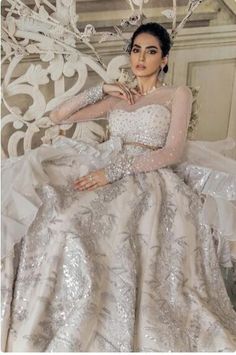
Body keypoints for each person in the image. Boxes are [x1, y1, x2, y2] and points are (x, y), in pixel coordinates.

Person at [1, 22, 236, 352]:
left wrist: (114, 172)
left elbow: (172, 152)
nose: (141, 57)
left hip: (148, 175)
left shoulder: (176, 94)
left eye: (151, 51)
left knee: (98, 224)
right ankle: (55, 313)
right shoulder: (120, 97)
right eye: (136, 50)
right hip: (106, 165)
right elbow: (58, 116)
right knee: (59, 214)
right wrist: (103, 89)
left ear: (164, 59)